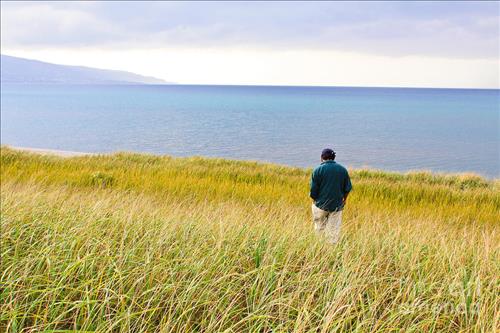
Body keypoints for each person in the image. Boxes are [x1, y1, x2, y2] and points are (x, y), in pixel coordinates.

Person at [310, 148, 352, 244]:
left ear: (322, 158)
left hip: (320, 205)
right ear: (334, 158)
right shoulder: (342, 170)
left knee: (319, 228)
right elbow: (347, 188)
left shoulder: (317, 170)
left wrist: (315, 201)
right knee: (333, 231)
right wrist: (344, 200)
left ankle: (318, 248)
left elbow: (313, 191)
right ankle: (331, 250)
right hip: (337, 205)